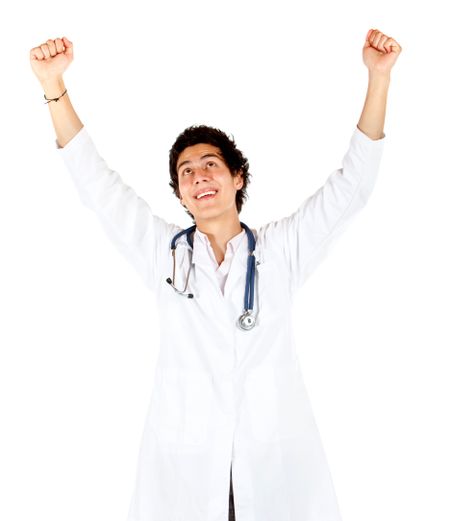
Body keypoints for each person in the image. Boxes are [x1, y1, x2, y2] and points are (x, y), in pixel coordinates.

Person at [30, 28, 402, 521]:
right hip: (187, 474)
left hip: (273, 470)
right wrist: (54, 87)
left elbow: (352, 188)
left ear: (236, 178)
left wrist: (378, 78)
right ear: (180, 194)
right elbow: (97, 186)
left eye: (211, 165)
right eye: (187, 172)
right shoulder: (166, 256)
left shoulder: (281, 252)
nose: (199, 176)